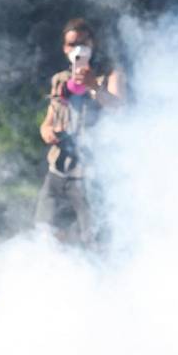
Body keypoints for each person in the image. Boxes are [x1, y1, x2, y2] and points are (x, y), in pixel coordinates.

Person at [35, 18, 124, 246]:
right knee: (46, 234)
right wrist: (48, 132)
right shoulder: (60, 80)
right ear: (65, 48)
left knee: (91, 239)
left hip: (92, 173)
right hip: (59, 169)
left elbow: (118, 109)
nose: (78, 48)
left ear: (93, 44)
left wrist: (93, 86)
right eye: (72, 44)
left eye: (83, 42)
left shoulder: (110, 74)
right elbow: (48, 121)